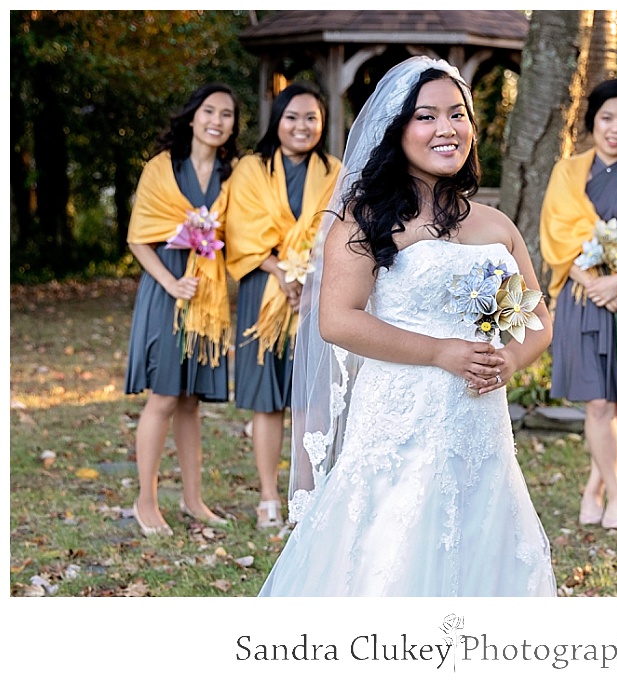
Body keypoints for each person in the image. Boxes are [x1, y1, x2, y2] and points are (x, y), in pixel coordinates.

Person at [258, 56, 557, 596]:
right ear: (397, 130)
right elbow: (337, 321)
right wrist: (442, 352)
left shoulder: (494, 224)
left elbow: (533, 322)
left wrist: (510, 359)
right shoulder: (364, 218)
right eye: (427, 116)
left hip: (479, 421)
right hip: (399, 417)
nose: (447, 128)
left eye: (458, 114)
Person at [540, 79, 617, 530]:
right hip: (582, 296)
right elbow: (555, 235)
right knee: (597, 403)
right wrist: (592, 282)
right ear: (591, 121)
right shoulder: (567, 172)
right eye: (607, 118)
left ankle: (594, 486)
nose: (616, 129)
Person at [125, 83, 241, 535]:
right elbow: (138, 237)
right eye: (209, 111)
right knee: (165, 395)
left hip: (208, 297)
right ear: (193, 116)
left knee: (192, 401)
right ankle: (146, 501)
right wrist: (171, 281)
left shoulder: (233, 176)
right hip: (167, 290)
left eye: (227, 114)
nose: (217, 120)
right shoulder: (162, 169)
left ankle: (194, 500)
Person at [226, 83, 341, 530]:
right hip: (264, 292)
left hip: (318, 293)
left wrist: (309, 278)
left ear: (323, 123)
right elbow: (242, 229)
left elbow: (339, 232)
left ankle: (306, 495)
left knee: (312, 400)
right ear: (277, 119)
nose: (302, 126)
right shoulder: (251, 169)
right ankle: (269, 498)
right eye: (292, 116)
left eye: (312, 117)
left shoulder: (335, 170)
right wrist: (282, 272)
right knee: (267, 400)